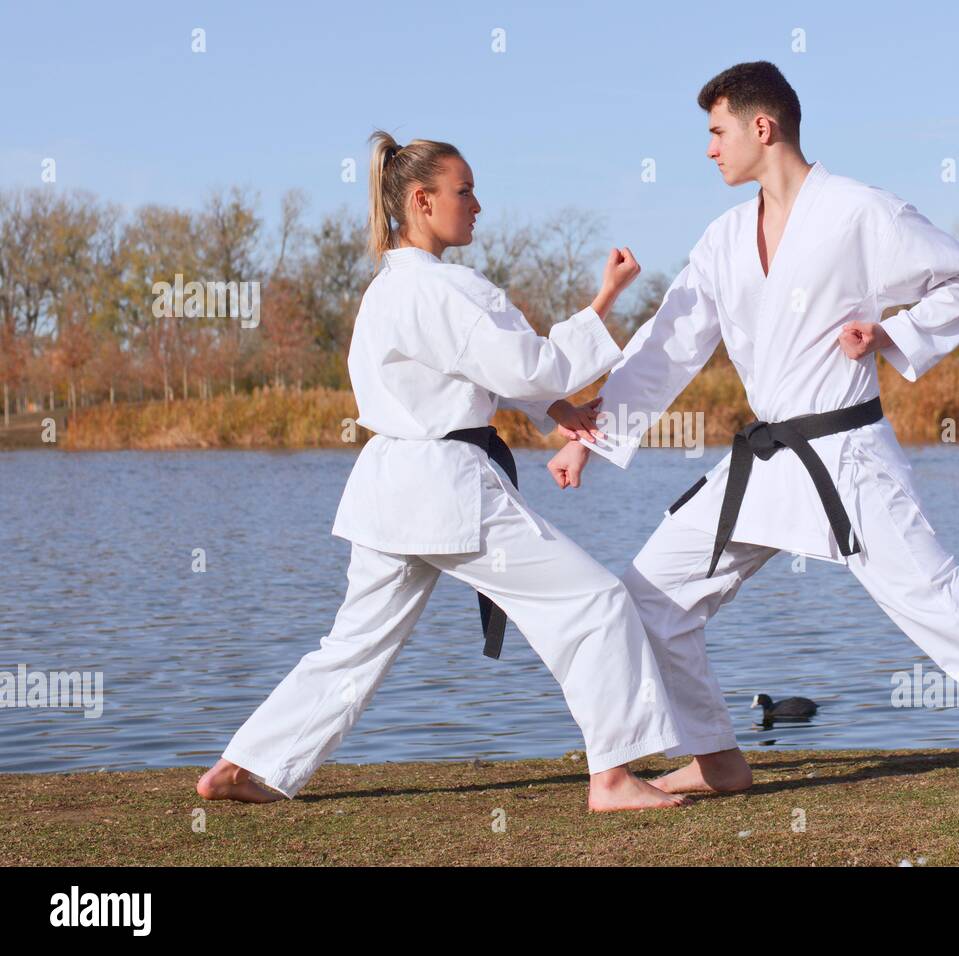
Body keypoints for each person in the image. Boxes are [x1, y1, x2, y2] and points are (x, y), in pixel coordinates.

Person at [547, 62, 959, 800]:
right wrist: (587, 435)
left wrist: (893, 333)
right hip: (766, 460)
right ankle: (716, 758)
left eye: (716, 132)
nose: (709, 149)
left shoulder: (857, 212)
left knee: (943, 609)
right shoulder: (723, 239)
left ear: (761, 127)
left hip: (847, 459)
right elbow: (668, 346)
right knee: (651, 596)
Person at [197, 130, 689, 812]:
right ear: (422, 201)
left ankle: (241, 765)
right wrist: (604, 301)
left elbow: (474, 373)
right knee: (595, 601)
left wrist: (555, 409)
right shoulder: (447, 288)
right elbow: (529, 365)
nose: (477, 205)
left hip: (390, 486)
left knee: (354, 646)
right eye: (465, 191)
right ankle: (611, 778)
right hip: (446, 486)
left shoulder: (387, 290)